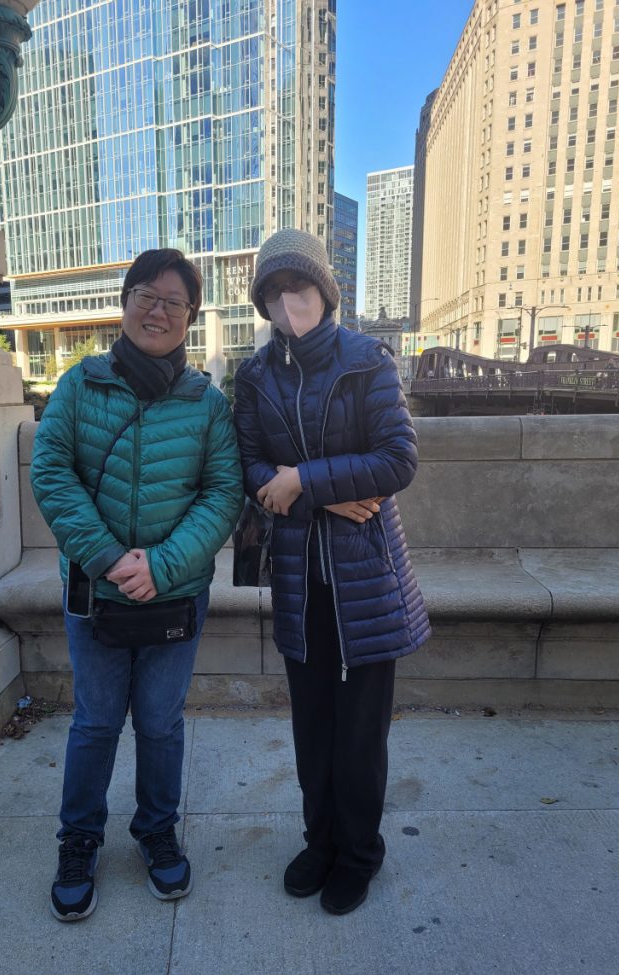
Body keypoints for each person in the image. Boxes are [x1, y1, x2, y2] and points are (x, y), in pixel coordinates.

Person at [31, 249, 243, 921]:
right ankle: (79, 840)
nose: (158, 311)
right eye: (146, 296)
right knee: (94, 723)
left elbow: (223, 494)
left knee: (160, 723)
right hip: (94, 591)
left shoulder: (208, 405)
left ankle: (155, 829)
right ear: (124, 303)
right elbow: (51, 471)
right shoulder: (79, 385)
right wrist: (103, 556)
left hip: (174, 595)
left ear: (191, 317)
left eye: (174, 302)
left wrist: (162, 564)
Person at [233, 229, 430, 916]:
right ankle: (319, 841)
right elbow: (249, 466)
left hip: (365, 576)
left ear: (325, 290)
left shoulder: (366, 360)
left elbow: (398, 459)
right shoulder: (255, 376)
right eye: (275, 293)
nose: (290, 304)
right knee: (312, 725)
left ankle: (359, 852)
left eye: (301, 288)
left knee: (360, 732)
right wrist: (306, 488)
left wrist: (306, 481)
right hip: (296, 574)